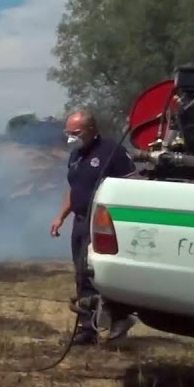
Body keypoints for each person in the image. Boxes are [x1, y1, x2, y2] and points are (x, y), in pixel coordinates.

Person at [50, 110, 139, 344]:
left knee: (102, 274)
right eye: (68, 132)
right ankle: (87, 328)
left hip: (103, 223)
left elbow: (133, 183)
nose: (71, 137)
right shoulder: (76, 155)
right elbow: (75, 189)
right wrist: (61, 216)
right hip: (80, 221)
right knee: (82, 274)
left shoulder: (111, 151)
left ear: (91, 129)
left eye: (76, 132)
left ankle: (119, 319)